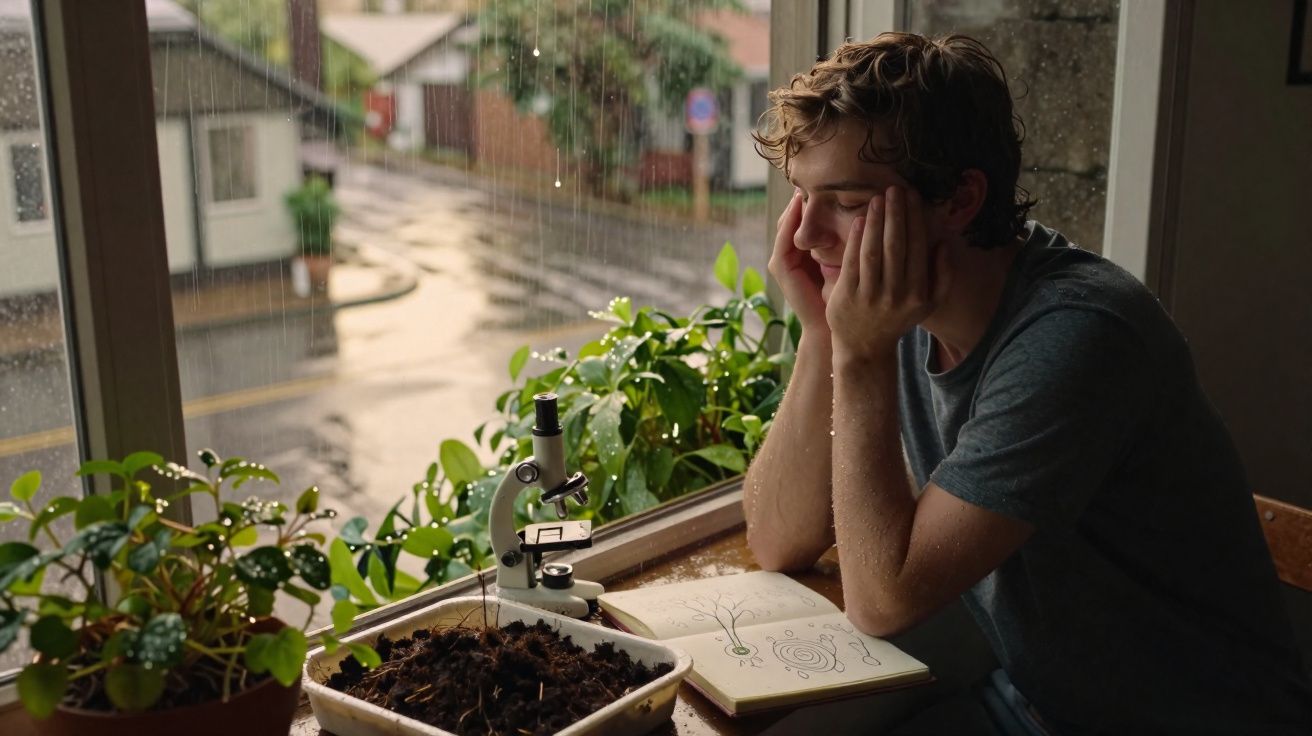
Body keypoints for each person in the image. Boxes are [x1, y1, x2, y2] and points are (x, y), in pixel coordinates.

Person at [743, 31, 1312, 735]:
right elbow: (776, 540)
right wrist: (825, 337)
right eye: (802, 196)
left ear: (959, 200)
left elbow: (883, 600)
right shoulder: (892, 306)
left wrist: (858, 355)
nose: (804, 238)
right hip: (1038, 704)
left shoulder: (1081, 334)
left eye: (849, 203)